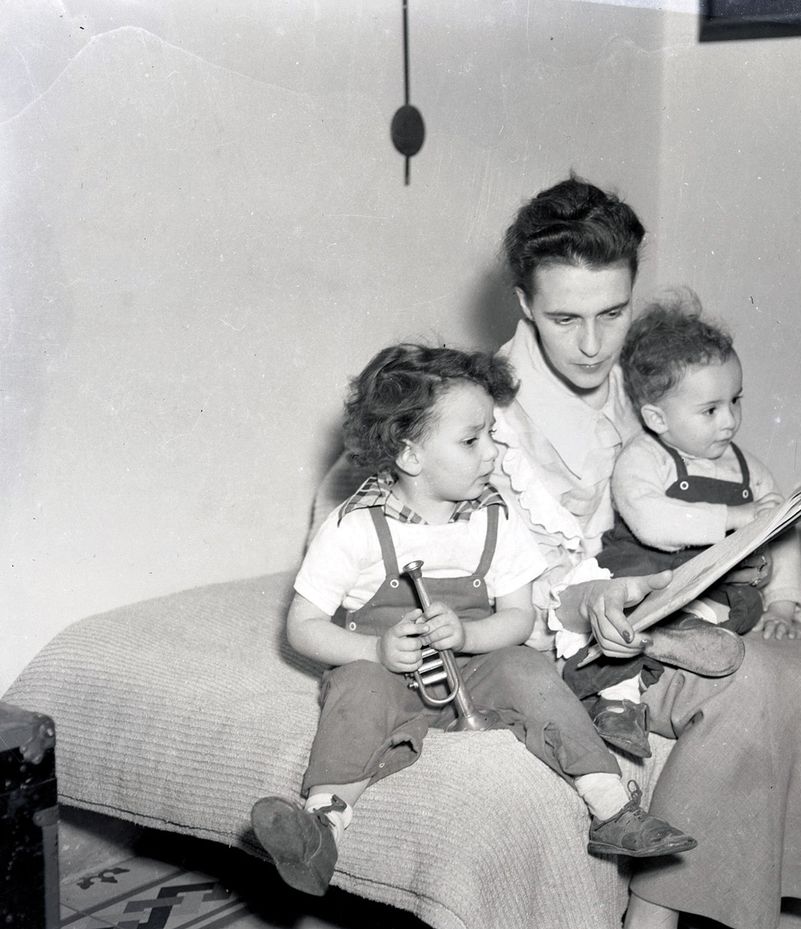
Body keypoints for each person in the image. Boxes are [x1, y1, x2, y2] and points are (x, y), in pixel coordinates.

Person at [489, 176, 801, 929]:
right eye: (565, 318)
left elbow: (710, 465)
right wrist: (603, 601)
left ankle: (790, 890)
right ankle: (652, 918)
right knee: (747, 686)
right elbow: (512, 575)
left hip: (678, 598)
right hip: (588, 629)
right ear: (524, 303)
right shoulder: (492, 415)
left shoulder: (637, 377)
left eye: (613, 313)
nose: (593, 345)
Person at [250, 343, 696, 898]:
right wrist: (375, 652)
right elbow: (303, 625)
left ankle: (612, 808)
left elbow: (517, 616)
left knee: (529, 671)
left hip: (477, 664)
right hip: (387, 668)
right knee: (358, 691)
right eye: (471, 439)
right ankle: (321, 828)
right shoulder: (354, 525)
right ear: (410, 456)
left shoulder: (494, 518)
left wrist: (471, 635)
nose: (492, 452)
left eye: (491, 433)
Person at [563, 294, 801, 759]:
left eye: (735, 401)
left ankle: (675, 637)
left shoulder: (751, 470)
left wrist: (783, 605)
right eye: (710, 410)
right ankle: (617, 703)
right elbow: (651, 521)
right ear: (656, 418)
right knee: (624, 605)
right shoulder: (645, 457)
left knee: (740, 603)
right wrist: (739, 518)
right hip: (653, 573)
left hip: (716, 589)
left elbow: (781, 536)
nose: (729, 421)